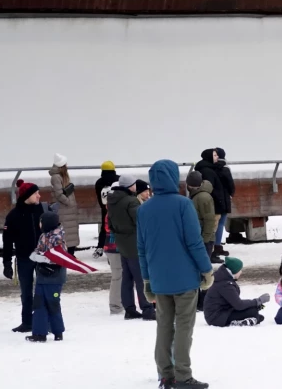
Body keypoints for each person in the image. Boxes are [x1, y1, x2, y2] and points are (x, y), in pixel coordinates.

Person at [138, 159, 214, 389]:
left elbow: (141, 248)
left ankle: (165, 375)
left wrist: (146, 279)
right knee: (183, 328)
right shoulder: (183, 204)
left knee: (163, 327)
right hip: (185, 278)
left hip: (159, 278)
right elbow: (194, 242)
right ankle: (183, 376)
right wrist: (206, 269)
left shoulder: (144, 208)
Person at [3, 179, 50, 333]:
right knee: (26, 292)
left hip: (43, 257)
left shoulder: (43, 211)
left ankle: (46, 321)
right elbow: (7, 242)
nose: (39, 196)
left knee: (45, 290)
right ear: (27, 196)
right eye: (36, 193)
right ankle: (27, 322)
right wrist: (7, 264)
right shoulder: (13, 215)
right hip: (24, 258)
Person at [108, 175, 155, 321]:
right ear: (130, 186)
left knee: (127, 278)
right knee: (141, 278)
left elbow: (110, 223)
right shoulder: (131, 200)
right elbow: (141, 221)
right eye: (134, 184)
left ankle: (129, 309)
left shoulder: (112, 201)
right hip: (134, 244)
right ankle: (147, 309)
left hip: (122, 243)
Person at [25, 212, 69, 343]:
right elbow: (38, 250)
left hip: (55, 277)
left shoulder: (58, 237)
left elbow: (59, 258)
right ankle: (39, 333)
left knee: (53, 304)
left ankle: (58, 331)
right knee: (39, 304)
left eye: (41, 222)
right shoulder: (43, 236)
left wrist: (44, 258)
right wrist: (35, 255)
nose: (39, 225)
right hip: (42, 276)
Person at [203, 257, 270, 327]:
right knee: (253, 312)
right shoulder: (225, 284)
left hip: (222, 313)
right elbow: (239, 305)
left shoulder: (225, 279)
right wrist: (257, 301)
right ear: (234, 271)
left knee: (254, 310)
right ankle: (241, 321)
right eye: (240, 270)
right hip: (216, 318)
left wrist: (255, 305)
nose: (241, 272)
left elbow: (235, 303)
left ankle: (252, 318)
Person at [194, 149, 232, 258]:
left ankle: (213, 249)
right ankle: (212, 250)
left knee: (213, 226)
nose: (217, 157)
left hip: (213, 200)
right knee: (213, 226)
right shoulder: (209, 170)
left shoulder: (206, 168)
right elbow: (212, 187)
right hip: (214, 201)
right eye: (215, 155)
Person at [186, 171, 219, 265]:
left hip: (204, 240)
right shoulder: (196, 195)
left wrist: (205, 240)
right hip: (200, 238)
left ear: (190, 184)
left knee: (202, 267)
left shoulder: (203, 197)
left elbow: (209, 220)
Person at [49, 154, 79, 253]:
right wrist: (69, 202)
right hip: (64, 209)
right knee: (67, 232)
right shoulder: (56, 177)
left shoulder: (62, 176)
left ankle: (71, 253)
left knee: (71, 232)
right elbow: (59, 194)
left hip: (68, 210)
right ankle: (68, 254)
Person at [94, 161, 119, 258]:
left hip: (105, 208)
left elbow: (99, 198)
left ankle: (100, 246)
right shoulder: (118, 180)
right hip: (118, 209)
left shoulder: (99, 182)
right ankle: (116, 246)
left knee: (104, 228)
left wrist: (103, 208)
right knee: (117, 228)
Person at [213, 148, 235, 257]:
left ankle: (213, 246)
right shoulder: (225, 169)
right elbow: (231, 184)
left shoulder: (210, 168)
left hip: (214, 199)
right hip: (224, 199)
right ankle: (217, 245)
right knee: (221, 224)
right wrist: (231, 194)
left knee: (214, 224)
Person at [103, 207, 124, 316]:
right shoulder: (114, 212)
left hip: (115, 248)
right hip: (114, 248)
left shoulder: (113, 210)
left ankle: (119, 303)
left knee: (120, 276)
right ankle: (115, 306)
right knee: (117, 277)